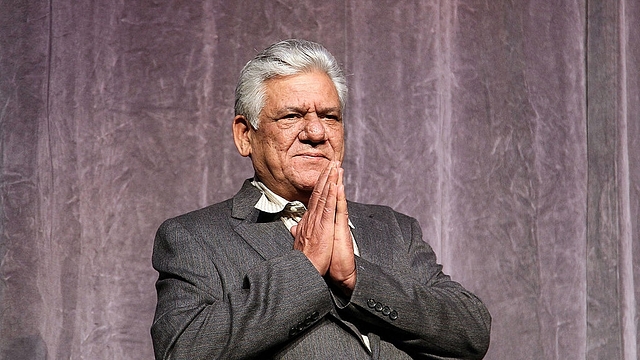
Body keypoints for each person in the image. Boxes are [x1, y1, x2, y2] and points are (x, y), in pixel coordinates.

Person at [151, 39, 491, 359]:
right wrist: (304, 269)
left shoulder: (394, 228)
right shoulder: (194, 237)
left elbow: (471, 331)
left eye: (329, 116)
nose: (316, 132)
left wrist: (356, 279)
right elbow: (183, 349)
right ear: (245, 136)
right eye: (291, 116)